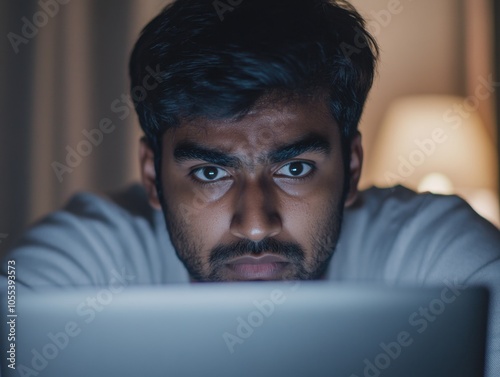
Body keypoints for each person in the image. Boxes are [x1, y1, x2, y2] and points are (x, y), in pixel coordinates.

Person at [1, 0, 499, 375]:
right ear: (153, 177)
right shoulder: (73, 267)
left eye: (296, 169)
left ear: (351, 166)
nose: (256, 222)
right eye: (211, 173)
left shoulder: (443, 258)